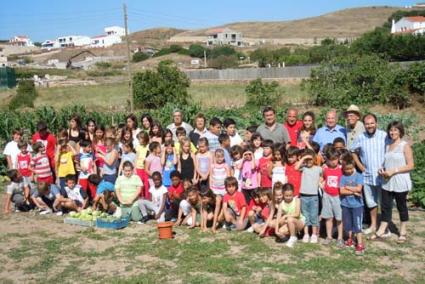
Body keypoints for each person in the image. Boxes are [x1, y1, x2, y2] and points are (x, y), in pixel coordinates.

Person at [374, 121, 414, 243]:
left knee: (401, 206)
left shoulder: (404, 145)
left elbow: (411, 165)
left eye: (395, 130)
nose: (393, 132)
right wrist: (382, 169)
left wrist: (394, 171)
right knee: (385, 206)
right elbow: (387, 163)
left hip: (400, 181)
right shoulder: (387, 145)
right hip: (387, 181)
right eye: (391, 130)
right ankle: (382, 228)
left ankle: (402, 231)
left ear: (400, 131)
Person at [350, 113, 388, 235]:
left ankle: (384, 227)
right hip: (367, 175)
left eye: (372, 123)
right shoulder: (361, 137)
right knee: (371, 202)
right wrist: (359, 165)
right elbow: (352, 151)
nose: (370, 126)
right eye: (367, 124)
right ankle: (373, 225)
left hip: (383, 176)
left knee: (384, 203)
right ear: (364, 125)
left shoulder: (384, 136)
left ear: (376, 123)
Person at [296, 149, 322, 243]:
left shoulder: (318, 168)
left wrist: (321, 182)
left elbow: (323, 176)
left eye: (310, 159)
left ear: (314, 159)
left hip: (314, 196)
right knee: (305, 215)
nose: (309, 162)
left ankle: (314, 234)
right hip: (303, 196)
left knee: (314, 215)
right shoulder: (303, 168)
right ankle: (306, 234)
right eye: (307, 160)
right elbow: (296, 167)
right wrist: (304, 158)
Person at [339, 157, 365, 255]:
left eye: (351, 168)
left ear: (354, 166)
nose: (349, 171)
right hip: (346, 204)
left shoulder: (359, 176)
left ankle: (360, 244)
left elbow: (359, 189)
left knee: (357, 225)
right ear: (343, 168)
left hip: (357, 205)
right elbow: (341, 191)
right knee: (348, 224)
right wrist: (353, 192)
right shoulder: (342, 177)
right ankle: (350, 240)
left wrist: (347, 187)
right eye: (346, 169)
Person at [321, 147, 344, 247]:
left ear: (338, 158)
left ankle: (340, 237)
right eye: (330, 159)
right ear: (327, 159)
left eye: (335, 159)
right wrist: (320, 183)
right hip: (327, 196)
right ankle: (329, 236)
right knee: (328, 217)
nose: (333, 162)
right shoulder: (325, 169)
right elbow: (322, 178)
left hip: (338, 196)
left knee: (339, 218)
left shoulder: (341, 168)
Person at [275, 183, 305, 248]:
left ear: (293, 193)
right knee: (281, 231)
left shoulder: (297, 200)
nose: (288, 197)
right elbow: (278, 218)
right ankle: (295, 235)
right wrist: (276, 231)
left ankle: (292, 237)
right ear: (283, 194)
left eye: (290, 195)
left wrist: (286, 216)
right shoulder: (281, 204)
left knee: (289, 219)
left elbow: (297, 214)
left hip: (299, 221)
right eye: (286, 196)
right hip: (289, 222)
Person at [135, 132, 150, 198]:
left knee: (146, 183)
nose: (139, 140)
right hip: (139, 167)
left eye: (140, 139)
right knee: (139, 184)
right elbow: (136, 157)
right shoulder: (138, 147)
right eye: (139, 139)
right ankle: (140, 197)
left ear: (145, 139)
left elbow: (149, 156)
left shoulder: (148, 146)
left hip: (146, 168)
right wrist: (135, 168)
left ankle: (147, 198)